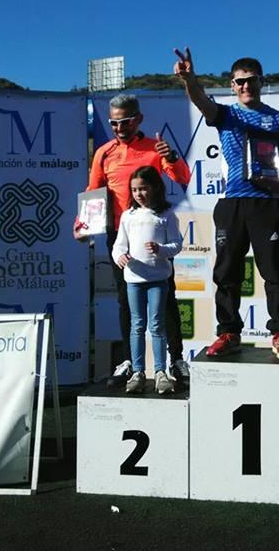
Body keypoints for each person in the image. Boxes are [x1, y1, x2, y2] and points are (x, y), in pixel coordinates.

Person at [173, 48, 279, 360]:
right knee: (227, 272)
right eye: (240, 82)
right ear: (232, 86)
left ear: (261, 82)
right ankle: (229, 332)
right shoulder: (226, 115)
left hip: (266, 204)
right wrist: (189, 80)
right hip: (232, 204)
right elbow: (201, 101)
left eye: (251, 80)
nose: (246, 86)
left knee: (276, 272)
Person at [74, 93, 192, 388]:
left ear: (138, 119)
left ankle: (176, 360)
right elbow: (93, 190)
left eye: (125, 121)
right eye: (114, 123)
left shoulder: (155, 147)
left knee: (166, 298)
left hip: (154, 233)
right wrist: (82, 225)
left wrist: (171, 157)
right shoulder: (104, 153)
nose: (119, 128)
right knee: (126, 300)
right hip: (121, 235)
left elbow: (182, 177)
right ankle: (130, 362)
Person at [112, 166, 184, 394]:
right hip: (134, 279)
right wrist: (119, 257)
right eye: (134, 190)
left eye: (143, 188)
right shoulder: (128, 216)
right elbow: (118, 245)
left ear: (155, 188)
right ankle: (138, 372)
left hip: (158, 280)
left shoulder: (166, 215)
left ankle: (161, 372)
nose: (139, 194)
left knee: (157, 325)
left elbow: (177, 244)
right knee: (137, 325)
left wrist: (160, 249)